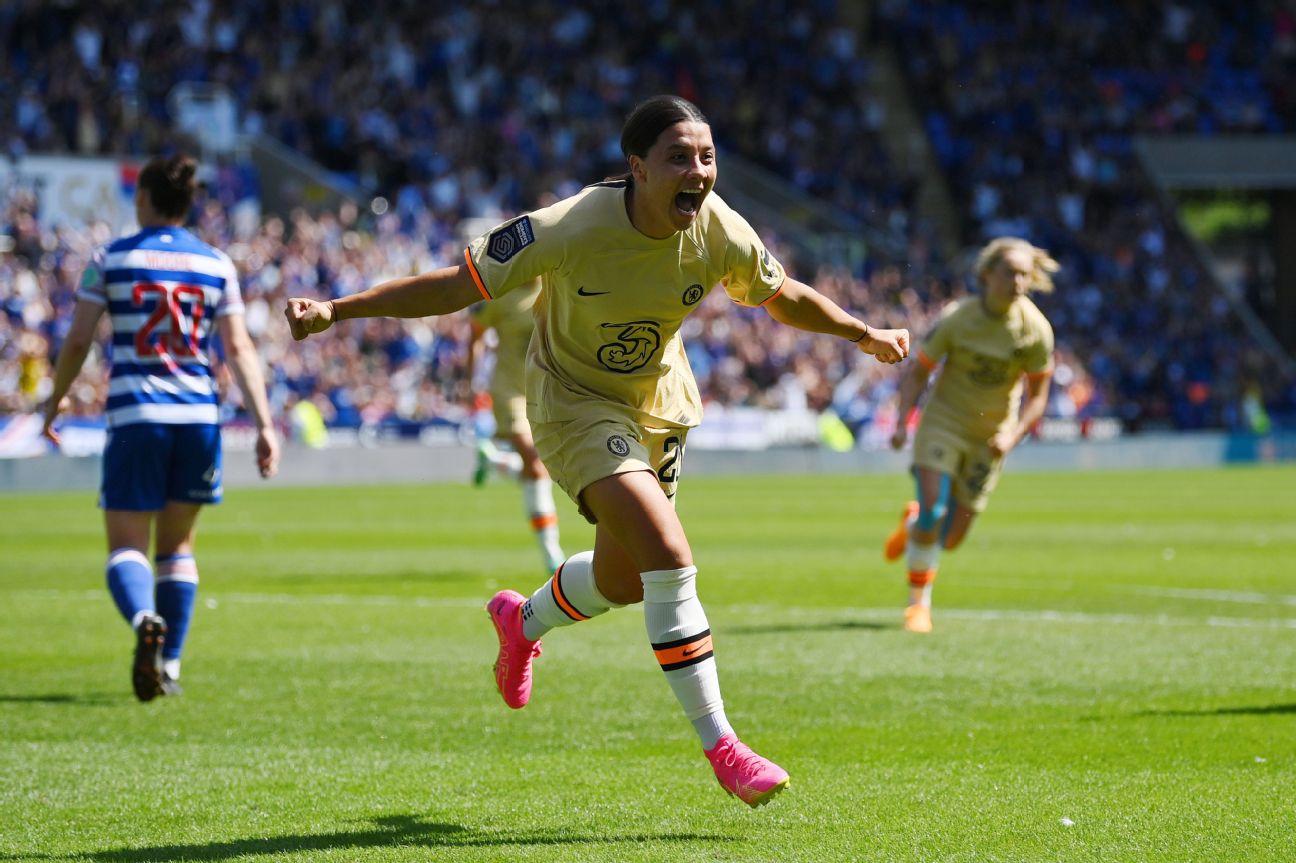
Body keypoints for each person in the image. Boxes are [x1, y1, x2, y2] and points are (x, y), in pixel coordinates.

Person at [286, 95, 908, 806]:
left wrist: (863, 333)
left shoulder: (719, 228)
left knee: (622, 581)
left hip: (660, 406)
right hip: (573, 402)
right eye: (680, 156)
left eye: (707, 156)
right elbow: (460, 284)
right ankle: (724, 746)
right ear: (637, 167)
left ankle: (520, 622)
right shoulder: (569, 225)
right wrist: (341, 308)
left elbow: (779, 294)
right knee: (670, 558)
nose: (699, 171)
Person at [42, 154, 279, 701]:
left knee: (127, 547)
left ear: (145, 199)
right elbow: (238, 347)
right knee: (178, 548)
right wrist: (264, 424)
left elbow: (78, 341)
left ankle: (145, 616)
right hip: (198, 416)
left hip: (136, 415)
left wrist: (54, 403)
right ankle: (169, 663)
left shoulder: (110, 259)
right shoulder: (216, 264)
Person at [883, 237, 1056, 633]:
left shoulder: (1036, 331)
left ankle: (911, 526)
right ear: (986, 274)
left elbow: (1038, 398)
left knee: (950, 538)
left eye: (1025, 274)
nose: (1018, 281)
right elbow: (920, 371)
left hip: (991, 436)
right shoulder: (957, 318)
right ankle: (918, 608)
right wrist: (900, 422)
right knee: (936, 511)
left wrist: (1012, 436)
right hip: (944, 422)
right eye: (1010, 272)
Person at [465, 278, 566, 575]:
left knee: (539, 465)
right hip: (510, 391)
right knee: (535, 461)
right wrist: (472, 383)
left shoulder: (556, 287)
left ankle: (495, 462)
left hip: (546, 390)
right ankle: (552, 554)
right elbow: (476, 334)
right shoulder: (502, 295)